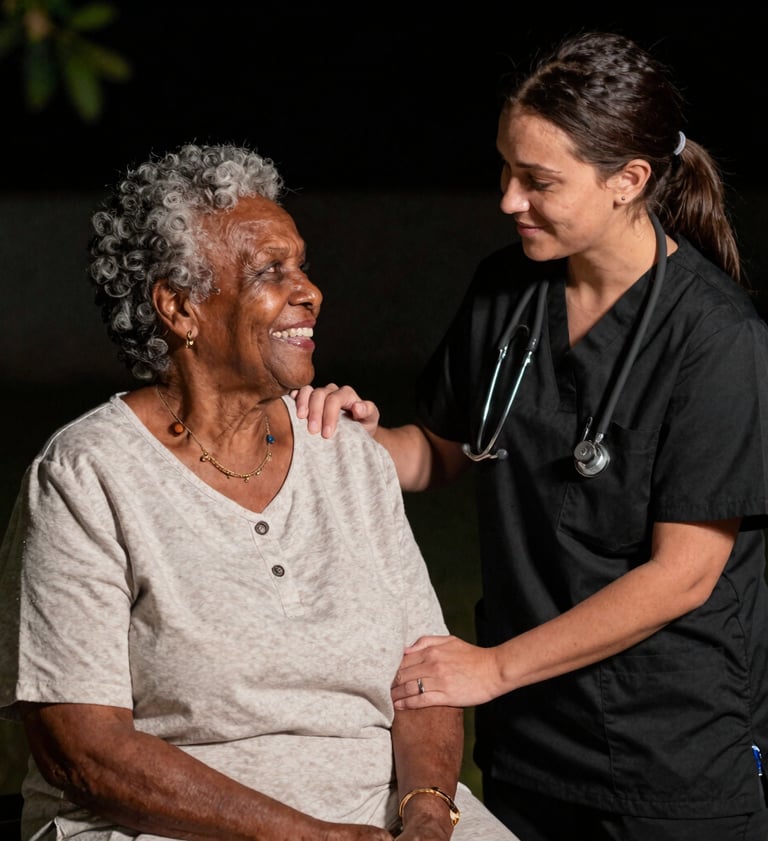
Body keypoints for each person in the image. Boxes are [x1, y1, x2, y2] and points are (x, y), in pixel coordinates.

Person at [294, 30, 768, 841]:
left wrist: (491, 667)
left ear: (629, 181)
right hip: (530, 744)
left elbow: (684, 576)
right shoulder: (504, 290)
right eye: (506, 171)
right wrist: (355, 435)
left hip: (671, 749)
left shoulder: (717, 339)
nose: (510, 200)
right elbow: (439, 452)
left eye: (539, 181)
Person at [0, 143, 519, 841]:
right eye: (271, 272)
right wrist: (310, 836)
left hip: (380, 813)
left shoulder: (345, 453)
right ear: (179, 307)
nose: (310, 291)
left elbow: (424, 675)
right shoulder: (86, 477)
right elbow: (83, 751)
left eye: (301, 265)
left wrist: (428, 812)